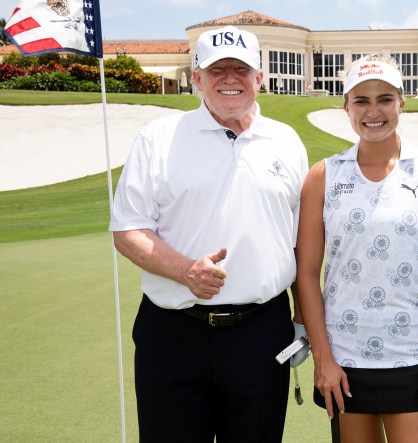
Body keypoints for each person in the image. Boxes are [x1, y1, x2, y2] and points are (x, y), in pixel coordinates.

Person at [109, 25, 309, 442]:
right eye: (217, 69)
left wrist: (303, 317)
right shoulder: (158, 139)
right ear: (197, 79)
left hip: (262, 332)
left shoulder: (286, 141)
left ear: (259, 78)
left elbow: (300, 243)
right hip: (173, 333)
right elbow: (128, 230)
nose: (230, 78)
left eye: (241, 69)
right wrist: (186, 271)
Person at [295, 54, 418, 443]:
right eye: (361, 101)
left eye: (385, 99)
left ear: (402, 102)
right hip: (344, 358)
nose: (373, 111)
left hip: (414, 353)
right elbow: (306, 274)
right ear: (346, 107)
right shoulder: (323, 176)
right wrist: (323, 358)